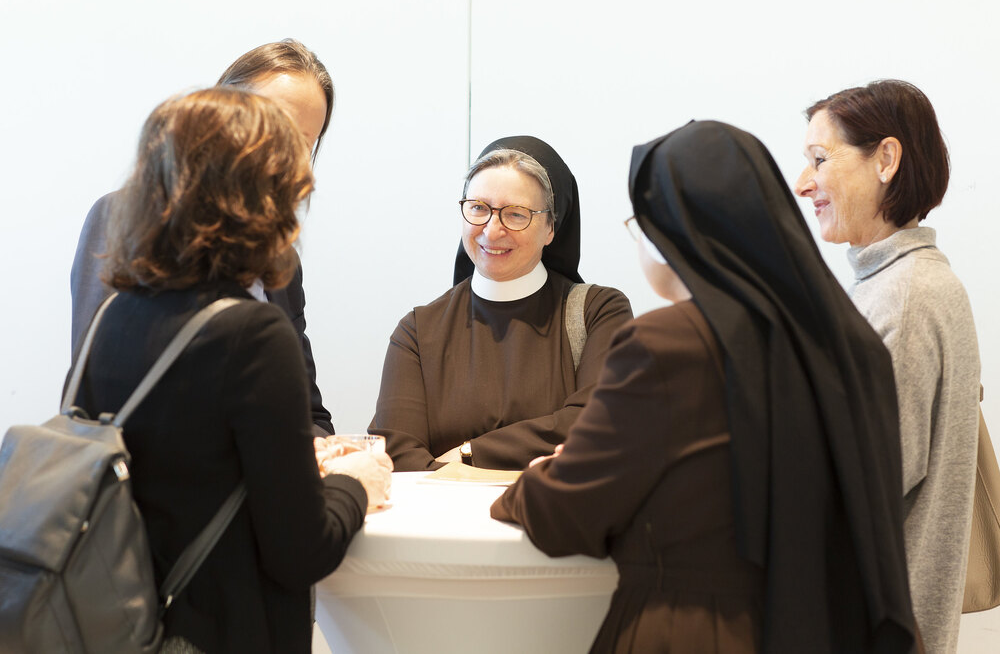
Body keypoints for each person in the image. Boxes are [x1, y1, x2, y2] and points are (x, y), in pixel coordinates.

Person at [492, 121, 920, 653]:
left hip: (698, 632)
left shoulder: (666, 345)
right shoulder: (853, 346)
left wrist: (540, 475)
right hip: (834, 632)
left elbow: (565, 516)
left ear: (674, 232)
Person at [68, 87, 392, 654]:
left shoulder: (115, 314)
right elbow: (301, 552)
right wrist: (356, 485)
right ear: (261, 196)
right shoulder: (252, 334)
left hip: (119, 623)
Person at [795, 80, 980, 654]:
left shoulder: (903, 298)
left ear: (886, 159)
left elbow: (854, 486)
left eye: (820, 160)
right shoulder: (900, 285)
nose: (804, 184)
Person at [70, 39, 336, 436]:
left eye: (303, 143)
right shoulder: (120, 216)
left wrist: (329, 458)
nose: (288, 158)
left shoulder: (281, 257)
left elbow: (309, 415)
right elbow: (92, 396)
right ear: (222, 113)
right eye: (273, 128)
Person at [370, 136, 633, 470]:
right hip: (443, 520)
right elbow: (396, 450)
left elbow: (597, 419)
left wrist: (469, 454)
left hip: (553, 518)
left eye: (516, 214)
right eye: (479, 208)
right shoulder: (419, 331)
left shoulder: (599, 312)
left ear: (551, 227)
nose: (492, 231)